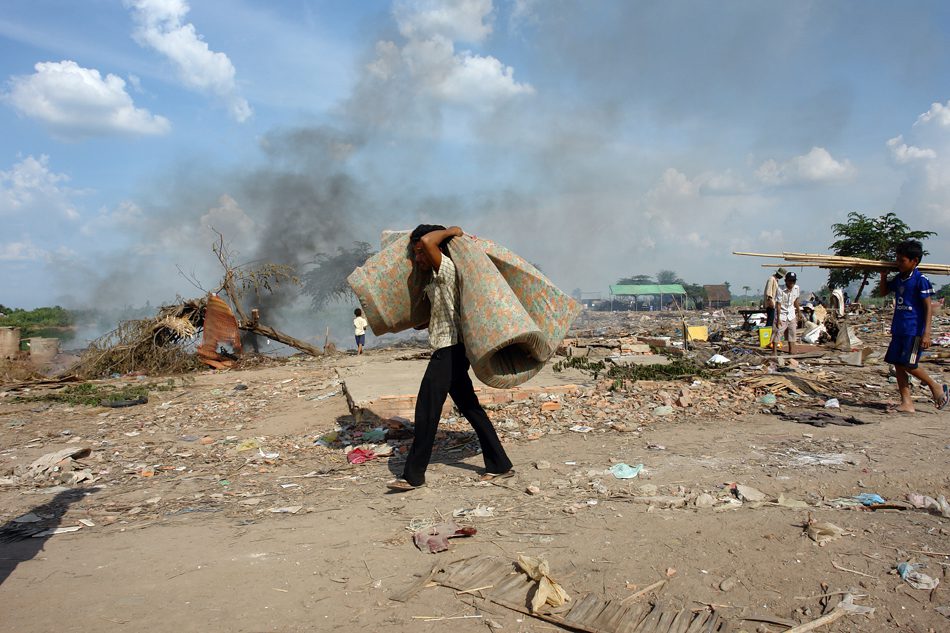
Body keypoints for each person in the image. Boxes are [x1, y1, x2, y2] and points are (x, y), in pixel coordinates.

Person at [387, 224, 514, 492]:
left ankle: (413, 475)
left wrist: (451, 230)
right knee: (470, 408)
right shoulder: (434, 278)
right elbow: (442, 312)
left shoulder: (445, 267)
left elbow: (430, 241)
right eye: (416, 253)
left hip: (450, 350)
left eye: (420, 253)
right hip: (449, 347)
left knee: (426, 410)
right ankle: (500, 464)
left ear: (437, 249)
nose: (418, 258)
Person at [877, 239, 949, 413]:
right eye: (897, 260)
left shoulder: (920, 280)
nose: (898, 264)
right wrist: (884, 276)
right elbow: (883, 292)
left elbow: (927, 308)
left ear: (914, 261)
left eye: (902, 261)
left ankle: (935, 386)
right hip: (899, 328)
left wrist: (927, 333)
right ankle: (907, 402)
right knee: (898, 364)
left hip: (913, 330)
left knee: (909, 364)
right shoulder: (900, 279)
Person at [773, 271, 801, 356]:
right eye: (790, 281)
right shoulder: (780, 289)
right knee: (778, 332)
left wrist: (799, 311)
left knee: (792, 332)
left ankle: (791, 350)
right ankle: (774, 351)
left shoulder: (796, 288)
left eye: (793, 281)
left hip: (791, 313)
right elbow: (778, 304)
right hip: (782, 313)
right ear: (786, 281)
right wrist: (778, 319)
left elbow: (796, 300)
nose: (791, 283)